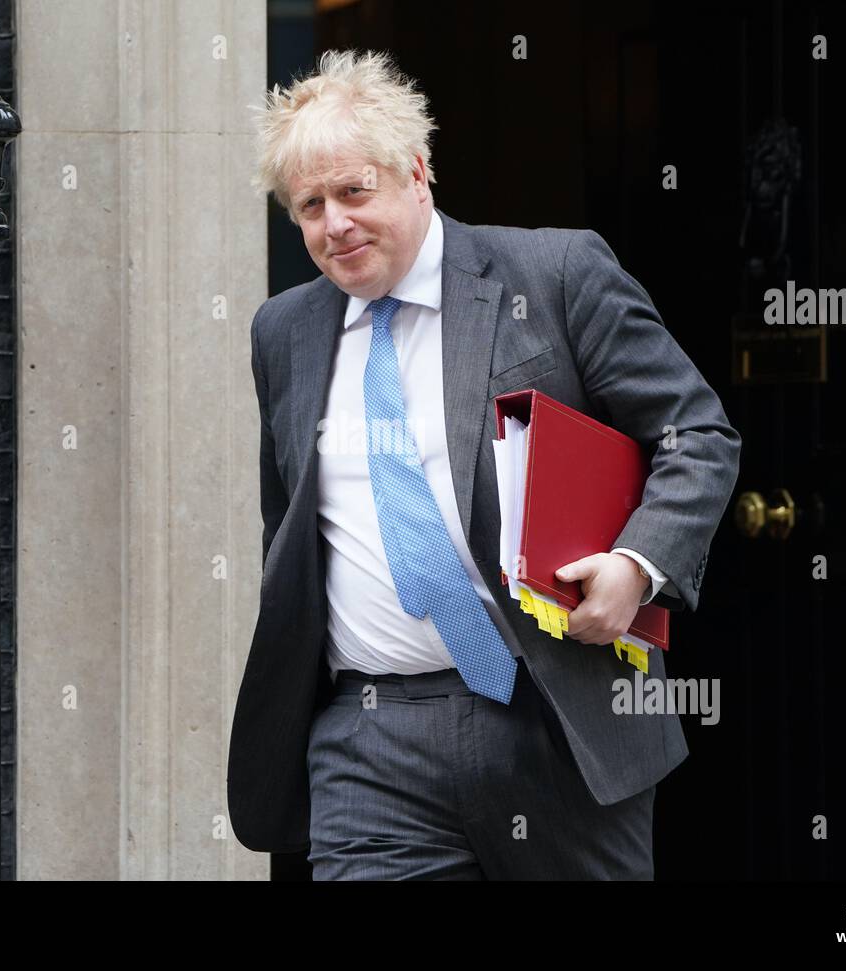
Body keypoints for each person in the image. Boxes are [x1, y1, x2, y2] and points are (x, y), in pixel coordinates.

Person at [228, 49, 741, 879]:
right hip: (369, 740)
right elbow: (285, 517)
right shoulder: (283, 333)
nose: (334, 225)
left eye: (354, 192)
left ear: (418, 173)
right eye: (309, 205)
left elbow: (695, 433)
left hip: (555, 714)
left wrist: (637, 564)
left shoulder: (556, 272)